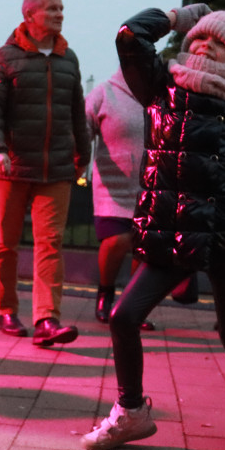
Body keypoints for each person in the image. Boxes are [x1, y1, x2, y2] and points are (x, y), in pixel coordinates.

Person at [81, 5, 225, 450]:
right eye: (199, 37)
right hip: (172, 226)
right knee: (125, 316)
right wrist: (176, 16)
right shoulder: (161, 84)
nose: (203, 43)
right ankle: (130, 412)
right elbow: (130, 36)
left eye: (217, 40)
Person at [0, 0, 90, 347]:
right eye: (52, 9)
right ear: (30, 15)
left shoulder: (68, 59)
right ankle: (7, 310)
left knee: (50, 243)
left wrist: (82, 156)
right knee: (6, 243)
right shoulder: (5, 57)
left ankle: (46, 320)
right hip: (10, 165)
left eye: (61, 8)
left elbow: (77, 112)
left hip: (56, 168)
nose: (60, 14)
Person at [84, 68, 155, 330]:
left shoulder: (159, 91)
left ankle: (133, 307)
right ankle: (105, 293)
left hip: (151, 185)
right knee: (117, 240)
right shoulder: (103, 92)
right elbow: (82, 128)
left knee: (145, 247)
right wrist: (77, 159)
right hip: (112, 186)